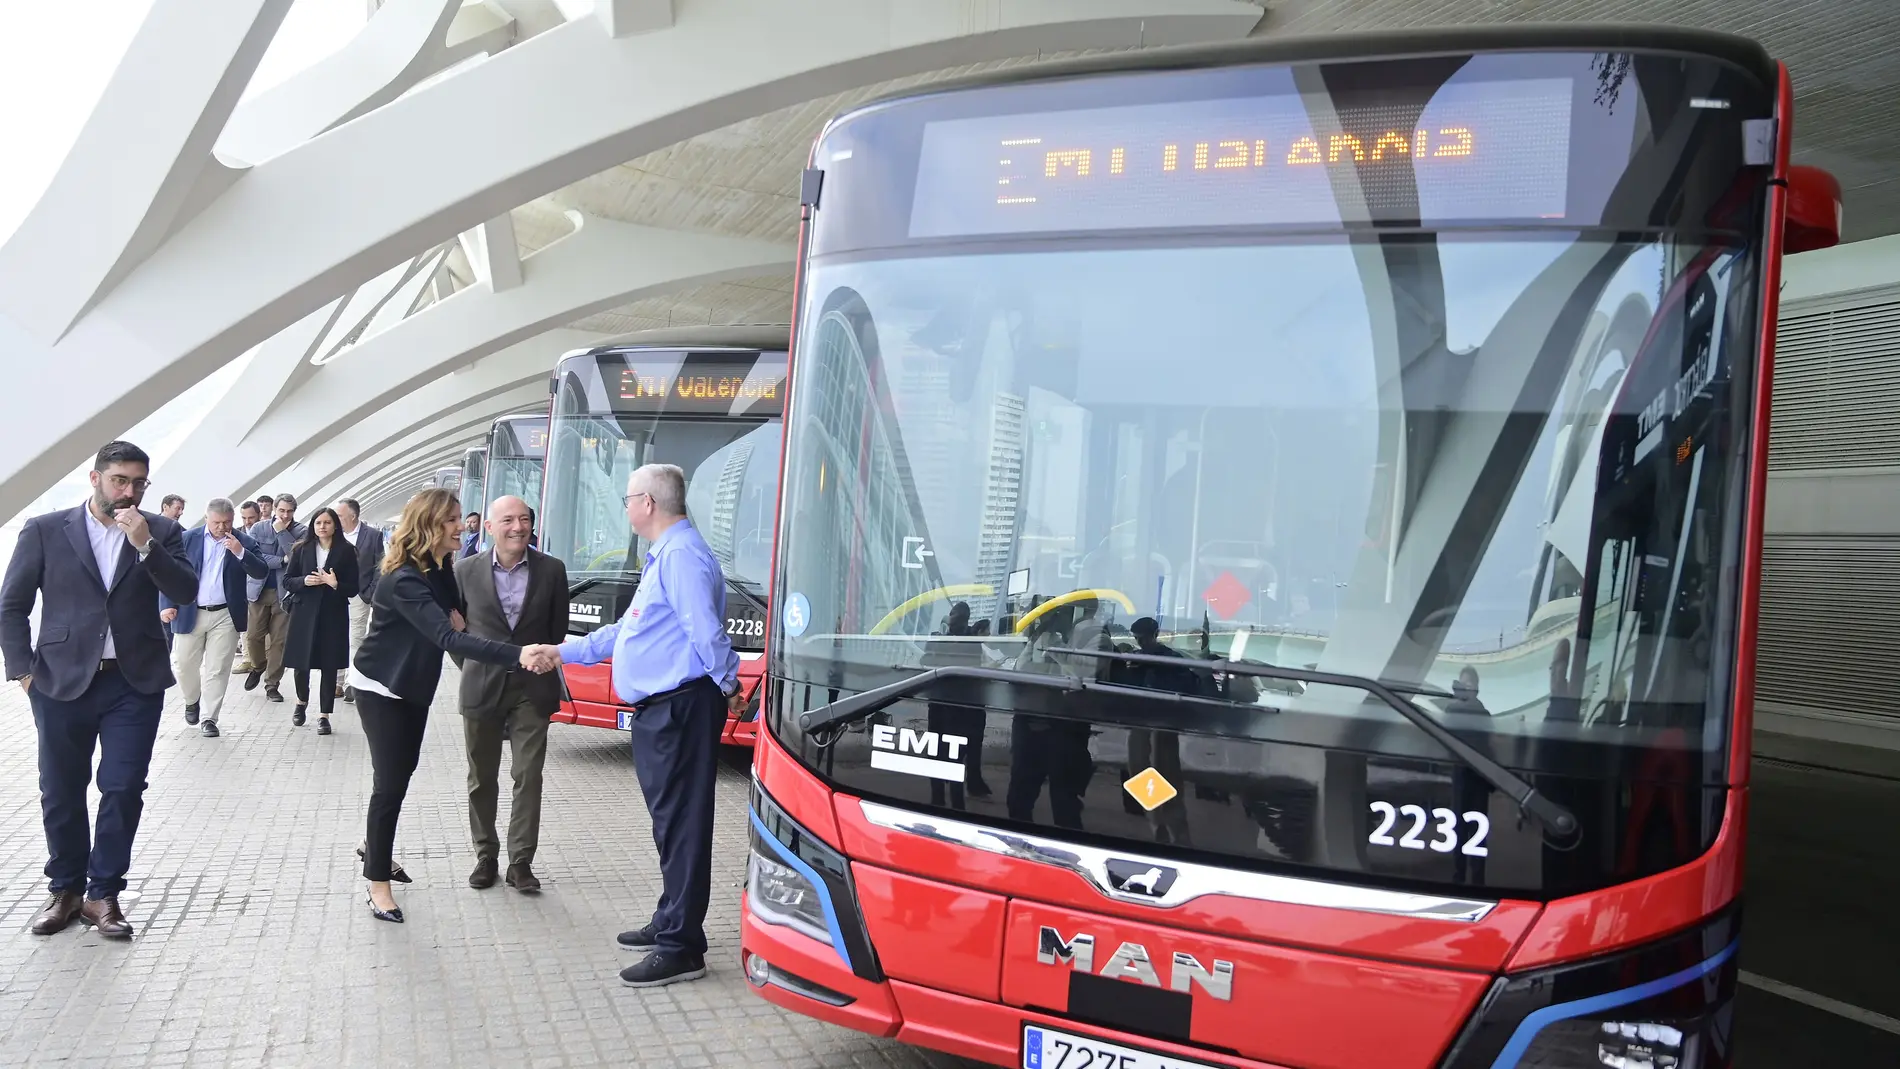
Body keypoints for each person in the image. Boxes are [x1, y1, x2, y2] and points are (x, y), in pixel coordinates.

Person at [541, 463, 744, 988]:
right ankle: (671, 920)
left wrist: (728, 685)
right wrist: (565, 650)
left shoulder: (679, 557)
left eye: (629, 497)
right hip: (667, 710)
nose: (625, 506)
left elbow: (707, 631)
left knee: (681, 824)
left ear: (648, 503)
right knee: (670, 823)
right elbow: (630, 631)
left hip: (681, 707)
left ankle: (682, 946)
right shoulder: (667, 556)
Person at [0, 441, 197, 938]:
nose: (128, 492)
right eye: (119, 481)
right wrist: (23, 671)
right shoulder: (46, 530)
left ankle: (103, 893)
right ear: (95, 479)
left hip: (135, 682)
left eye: (138, 483)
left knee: (124, 786)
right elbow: (12, 606)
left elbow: (186, 591)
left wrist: (146, 545)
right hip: (61, 682)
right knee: (61, 788)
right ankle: (65, 887)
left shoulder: (164, 531)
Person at [350, 489, 554, 923]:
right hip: (381, 686)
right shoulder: (404, 578)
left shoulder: (438, 566)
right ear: (430, 525)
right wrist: (515, 654)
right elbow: (449, 636)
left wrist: (457, 619)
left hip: (413, 686)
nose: (463, 526)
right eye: (453, 520)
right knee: (389, 783)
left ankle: (374, 841)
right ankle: (377, 882)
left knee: (401, 774)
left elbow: (459, 616)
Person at [453, 495, 569, 893]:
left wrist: (539, 661)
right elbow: (454, 635)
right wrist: (472, 668)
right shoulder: (465, 571)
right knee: (481, 777)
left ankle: (521, 862)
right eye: (508, 520)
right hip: (481, 685)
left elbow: (556, 630)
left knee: (528, 774)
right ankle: (485, 855)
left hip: (532, 688)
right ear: (489, 527)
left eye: (524, 519)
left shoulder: (552, 570)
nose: (517, 527)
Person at [162, 498, 268, 737]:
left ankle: (210, 717)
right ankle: (192, 699)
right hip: (190, 610)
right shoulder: (187, 539)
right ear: (207, 519)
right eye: (217, 522)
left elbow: (261, 570)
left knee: (218, 668)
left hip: (225, 614)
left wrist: (240, 553)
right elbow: (168, 573)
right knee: (182, 663)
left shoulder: (244, 541)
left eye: (227, 522)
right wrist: (166, 605)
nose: (222, 527)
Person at [284, 507, 360, 735]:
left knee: (329, 663)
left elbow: (353, 587)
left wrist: (334, 583)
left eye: (327, 522)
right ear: (313, 526)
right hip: (304, 612)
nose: (322, 527)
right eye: (318, 523)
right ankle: (301, 701)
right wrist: (304, 581)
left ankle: (324, 714)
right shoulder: (302, 549)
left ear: (335, 525)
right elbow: (288, 580)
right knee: (301, 662)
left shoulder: (346, 551)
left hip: (332, 613)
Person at [242, 494, 303, 703]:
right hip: (258, 591)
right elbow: (255, 557)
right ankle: (258, 666)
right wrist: (282, 560)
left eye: (289, 511)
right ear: (274, 509)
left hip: (284, 594)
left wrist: (282, 532)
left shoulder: (301, 531)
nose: (285, 515)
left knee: (279, 642)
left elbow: (299, 558)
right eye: (282, 510)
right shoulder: (258, 529)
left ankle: (272, 685)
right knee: (253, 637)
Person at [334, 498, 384, 705]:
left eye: (339, 515)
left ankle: (350, 684)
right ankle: (336, 681)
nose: (335, 519)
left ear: (352, 516)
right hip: (334, 593)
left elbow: (380, 565)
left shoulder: (372, 536)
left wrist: (369, 592)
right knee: (336, 637)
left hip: (358, 595)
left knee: (355, 638)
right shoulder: (333, 535)